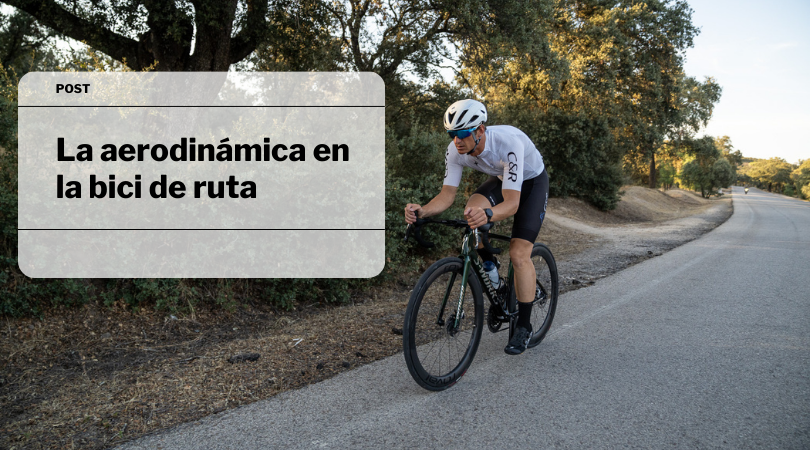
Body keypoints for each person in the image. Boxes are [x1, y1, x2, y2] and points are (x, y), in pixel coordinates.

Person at [404, 99, 549, 355]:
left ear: (480, 130)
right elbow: (447, 195)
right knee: (472, 211)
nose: (456, 140)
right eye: (452, 134)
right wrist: (422, 210)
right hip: (503, 179)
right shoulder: (455, 151)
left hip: (532, 183)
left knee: (518, 253)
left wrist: (490, 214)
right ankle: (491, 270)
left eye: (462, 134)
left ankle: (524, 327)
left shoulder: (508, 143)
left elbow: (513, 203)